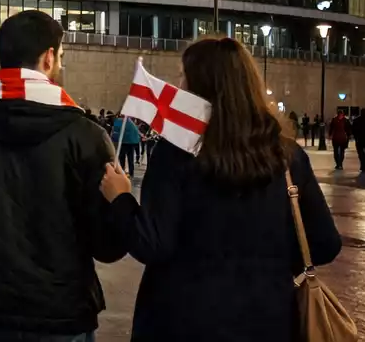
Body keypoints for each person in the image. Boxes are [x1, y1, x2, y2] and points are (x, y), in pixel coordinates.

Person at [99, 36, 341, 341]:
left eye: (184, 77)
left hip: (181, 320)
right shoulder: (288, 157)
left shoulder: (175, 155)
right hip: (268, 320)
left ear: (201, 87)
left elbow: (153, 244)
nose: (180, 86)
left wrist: (120, 198)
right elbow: (326, 243)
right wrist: (268, 268)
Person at [0, 10, 123, 342]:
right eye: (61, 57)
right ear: (48, 57)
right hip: (63, 312)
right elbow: (107, 245)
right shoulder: (86, 135)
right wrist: (121, 202)